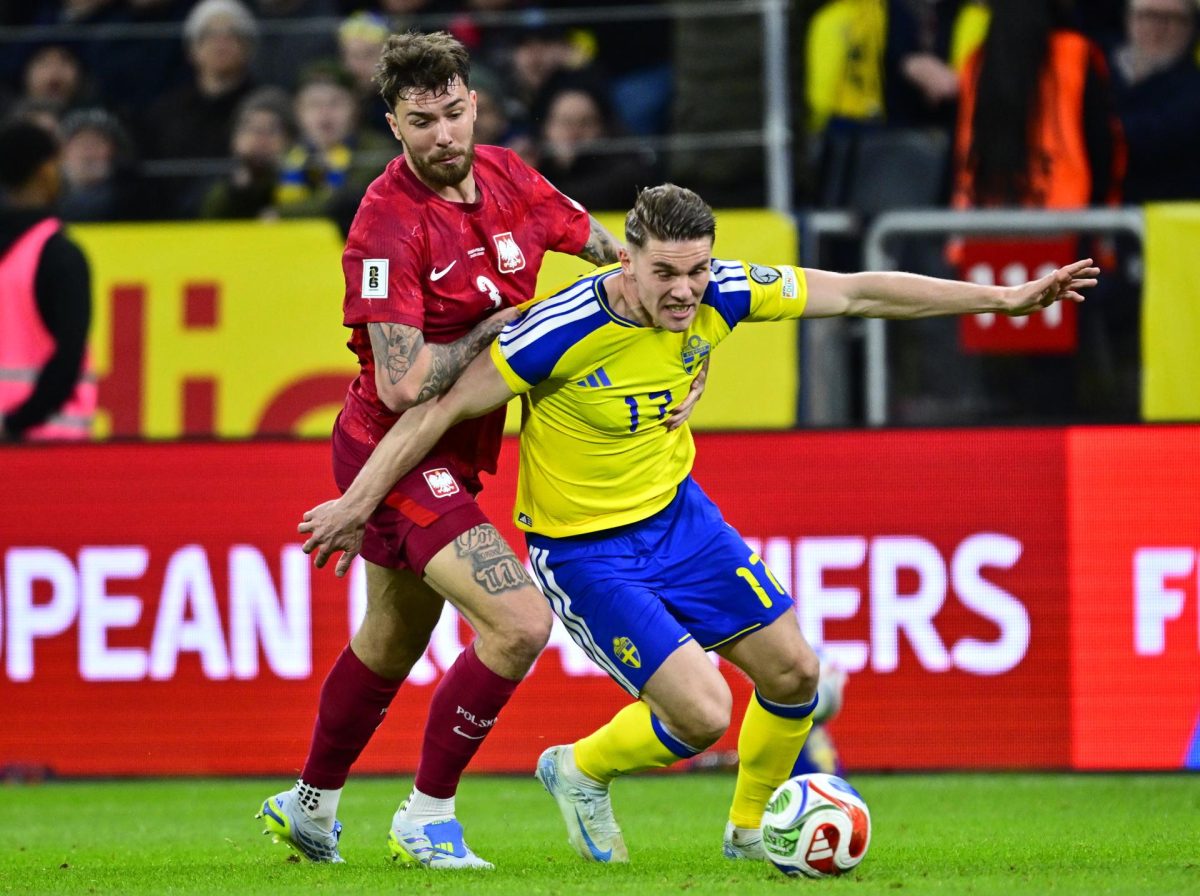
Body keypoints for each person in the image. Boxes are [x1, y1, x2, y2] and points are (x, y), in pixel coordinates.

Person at [295, 183, 1100, 861]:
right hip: (585, 551)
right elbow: (434, 411)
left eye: (698, 270)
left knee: (795, 676)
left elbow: (857, 289)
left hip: (681, 520)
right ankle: (577, 768)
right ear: (629, 260)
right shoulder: (560, 330)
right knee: (705, 714)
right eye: (666, 274)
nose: (686, 290)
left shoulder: (724, 293)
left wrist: (1002, 298)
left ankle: (750, 833)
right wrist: (357, 503)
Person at [255, 29, 632, 870]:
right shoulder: (385, 225)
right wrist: (496, 332)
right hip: (388, 447)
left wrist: (667, 287)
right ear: (394, 123)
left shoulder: (510, 176)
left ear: (474, 104)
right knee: (518, 621)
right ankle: (428, 815)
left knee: (389, 638)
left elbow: (600, 247)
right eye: (422, 121)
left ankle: (308, 804)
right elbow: (401, 384)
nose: (445, 136)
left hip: (457, 454)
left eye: (456, 113)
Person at [0, 120, 95, 441]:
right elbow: (69, 356)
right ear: (45, 172)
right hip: (48, 442)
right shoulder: (58, 253)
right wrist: (15, 423)